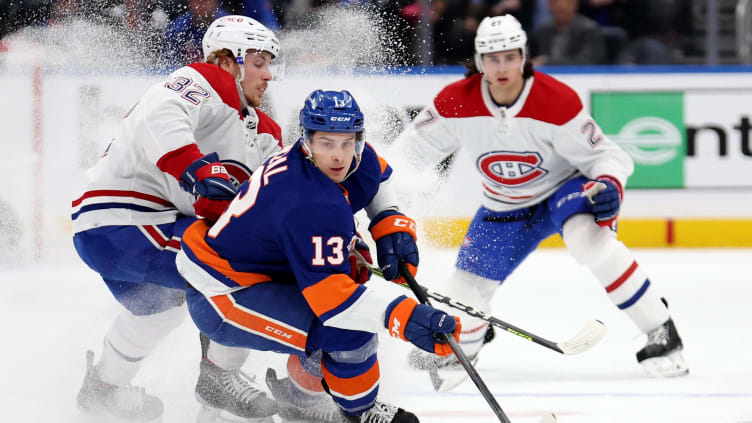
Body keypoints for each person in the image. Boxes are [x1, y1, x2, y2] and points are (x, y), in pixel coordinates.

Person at [393, 14, 688, 380]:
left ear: (524, 57)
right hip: (502, 207)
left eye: (510, 57)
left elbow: (606, 156)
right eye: (493, 58)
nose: (502, 67)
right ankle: (475, 331)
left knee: (589, 241)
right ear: (480, 61)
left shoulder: (556, 100)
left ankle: (661, 329)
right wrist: (370, 193)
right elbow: (406, 156)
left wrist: (609, 183)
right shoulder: (455, 102)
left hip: (563, 191)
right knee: (463, 307)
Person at [176, 89, 462, 423]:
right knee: (350, 328)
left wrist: (388, 220)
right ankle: (358, 413)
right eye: (326, 143)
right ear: (307, 141)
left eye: (347, 141)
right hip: (224, 294)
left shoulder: (352, 158)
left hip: (255, 269)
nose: (339, 156)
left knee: (348, 297)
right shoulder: (308, 200)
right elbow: (333, 303)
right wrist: (407, 317)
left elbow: (378, 175)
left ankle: (299, 400)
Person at [71, 15, 283, 421]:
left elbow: (280, 198)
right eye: (258, 62)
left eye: (271, 63)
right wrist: (196, 168)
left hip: (123, 231)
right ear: (226, 61)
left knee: (160, 305)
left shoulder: (263, 130)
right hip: (127, 223)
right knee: (239, 265)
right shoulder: (207, 80)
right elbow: (159, 113)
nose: (268, 74)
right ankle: (220, 380)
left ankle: (104, 386)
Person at [528, 0, 606, 66]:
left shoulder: (589, 29)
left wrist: (548, 62)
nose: (562, 5)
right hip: (549, 77)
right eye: (556, 2)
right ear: (549, 5)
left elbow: (588, 61)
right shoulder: (543, 30)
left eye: (567, 2)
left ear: (575, 4)